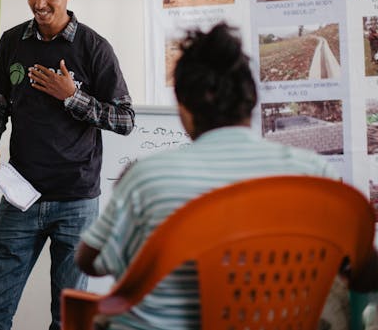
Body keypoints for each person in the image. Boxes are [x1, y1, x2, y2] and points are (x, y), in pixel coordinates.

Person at [74, 22, 341, 329]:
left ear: (184, 108)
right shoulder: (315, 175)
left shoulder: (146, 178)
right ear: (252, 99)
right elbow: (359, 268)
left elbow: (90, 261)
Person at [0, 0, 135, 330]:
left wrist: (72, 97)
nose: (40, 3)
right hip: (21, 196)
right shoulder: (12, 42)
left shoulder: (94, 48)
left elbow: (125, 119)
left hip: (76, 201)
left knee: (68, 320)